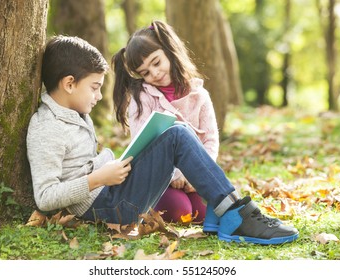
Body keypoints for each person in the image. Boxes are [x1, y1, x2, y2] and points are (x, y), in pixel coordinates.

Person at [27, 35, 299, 245]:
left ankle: (228, 210)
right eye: (95, 88)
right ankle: (235, 214)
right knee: (177, 135)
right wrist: (100, 178)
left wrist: (113, 168)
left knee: (173, 133)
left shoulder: (72, 113)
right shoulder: (47, 126)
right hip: (106, 207)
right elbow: (46, 196)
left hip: (109, 193)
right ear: (69, 83)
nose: (98, 97)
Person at [112, 20, 220, 224]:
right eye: (145, 72)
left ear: (169, 51)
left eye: (156, 62)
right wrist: (176, 175)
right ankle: (152, 204)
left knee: (203, 213)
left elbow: (210, 140)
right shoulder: (142, 98)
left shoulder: (199, 95)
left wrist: (195, 175)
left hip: (194, 177)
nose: (154, 74)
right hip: (159, 180)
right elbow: (143, 148)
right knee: (181, 211)